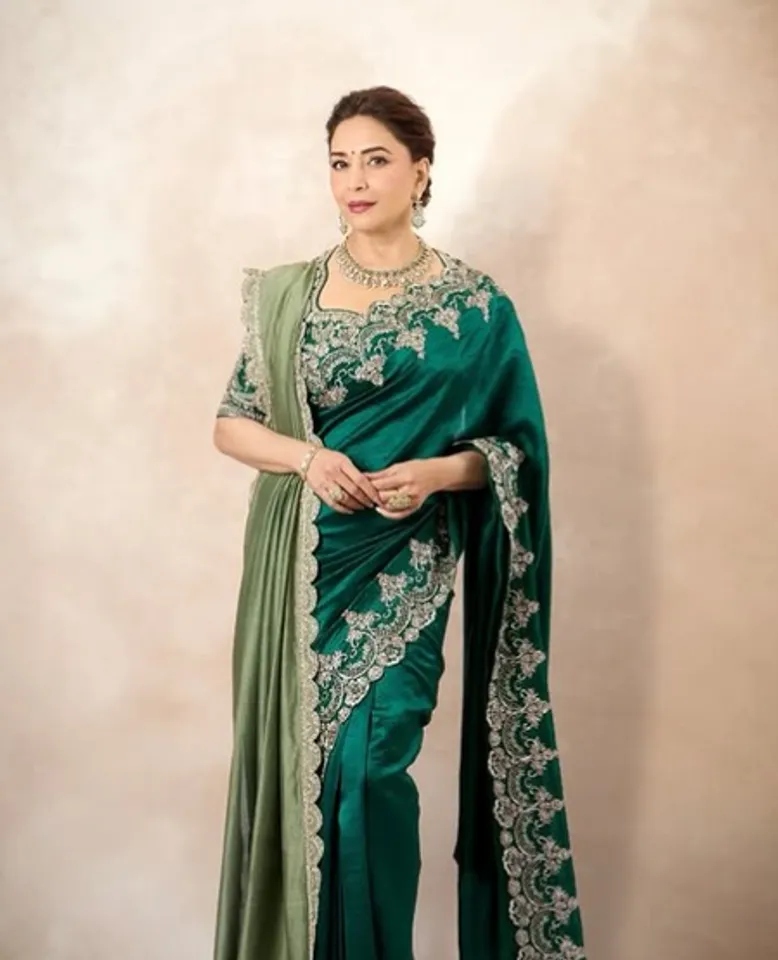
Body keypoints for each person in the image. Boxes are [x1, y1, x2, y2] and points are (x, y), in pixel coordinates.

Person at [212, 85, 586, 960]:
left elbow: (518, 452)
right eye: (339, 162)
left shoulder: (476, 309)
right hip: (299, 574)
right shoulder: (290, 296)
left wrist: (439, 472)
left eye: (376, 160)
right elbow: (231, 424)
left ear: (420, 171)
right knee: (302, 782)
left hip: (403, 570)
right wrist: (307, 458)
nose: (355, 180)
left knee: (370, 771)